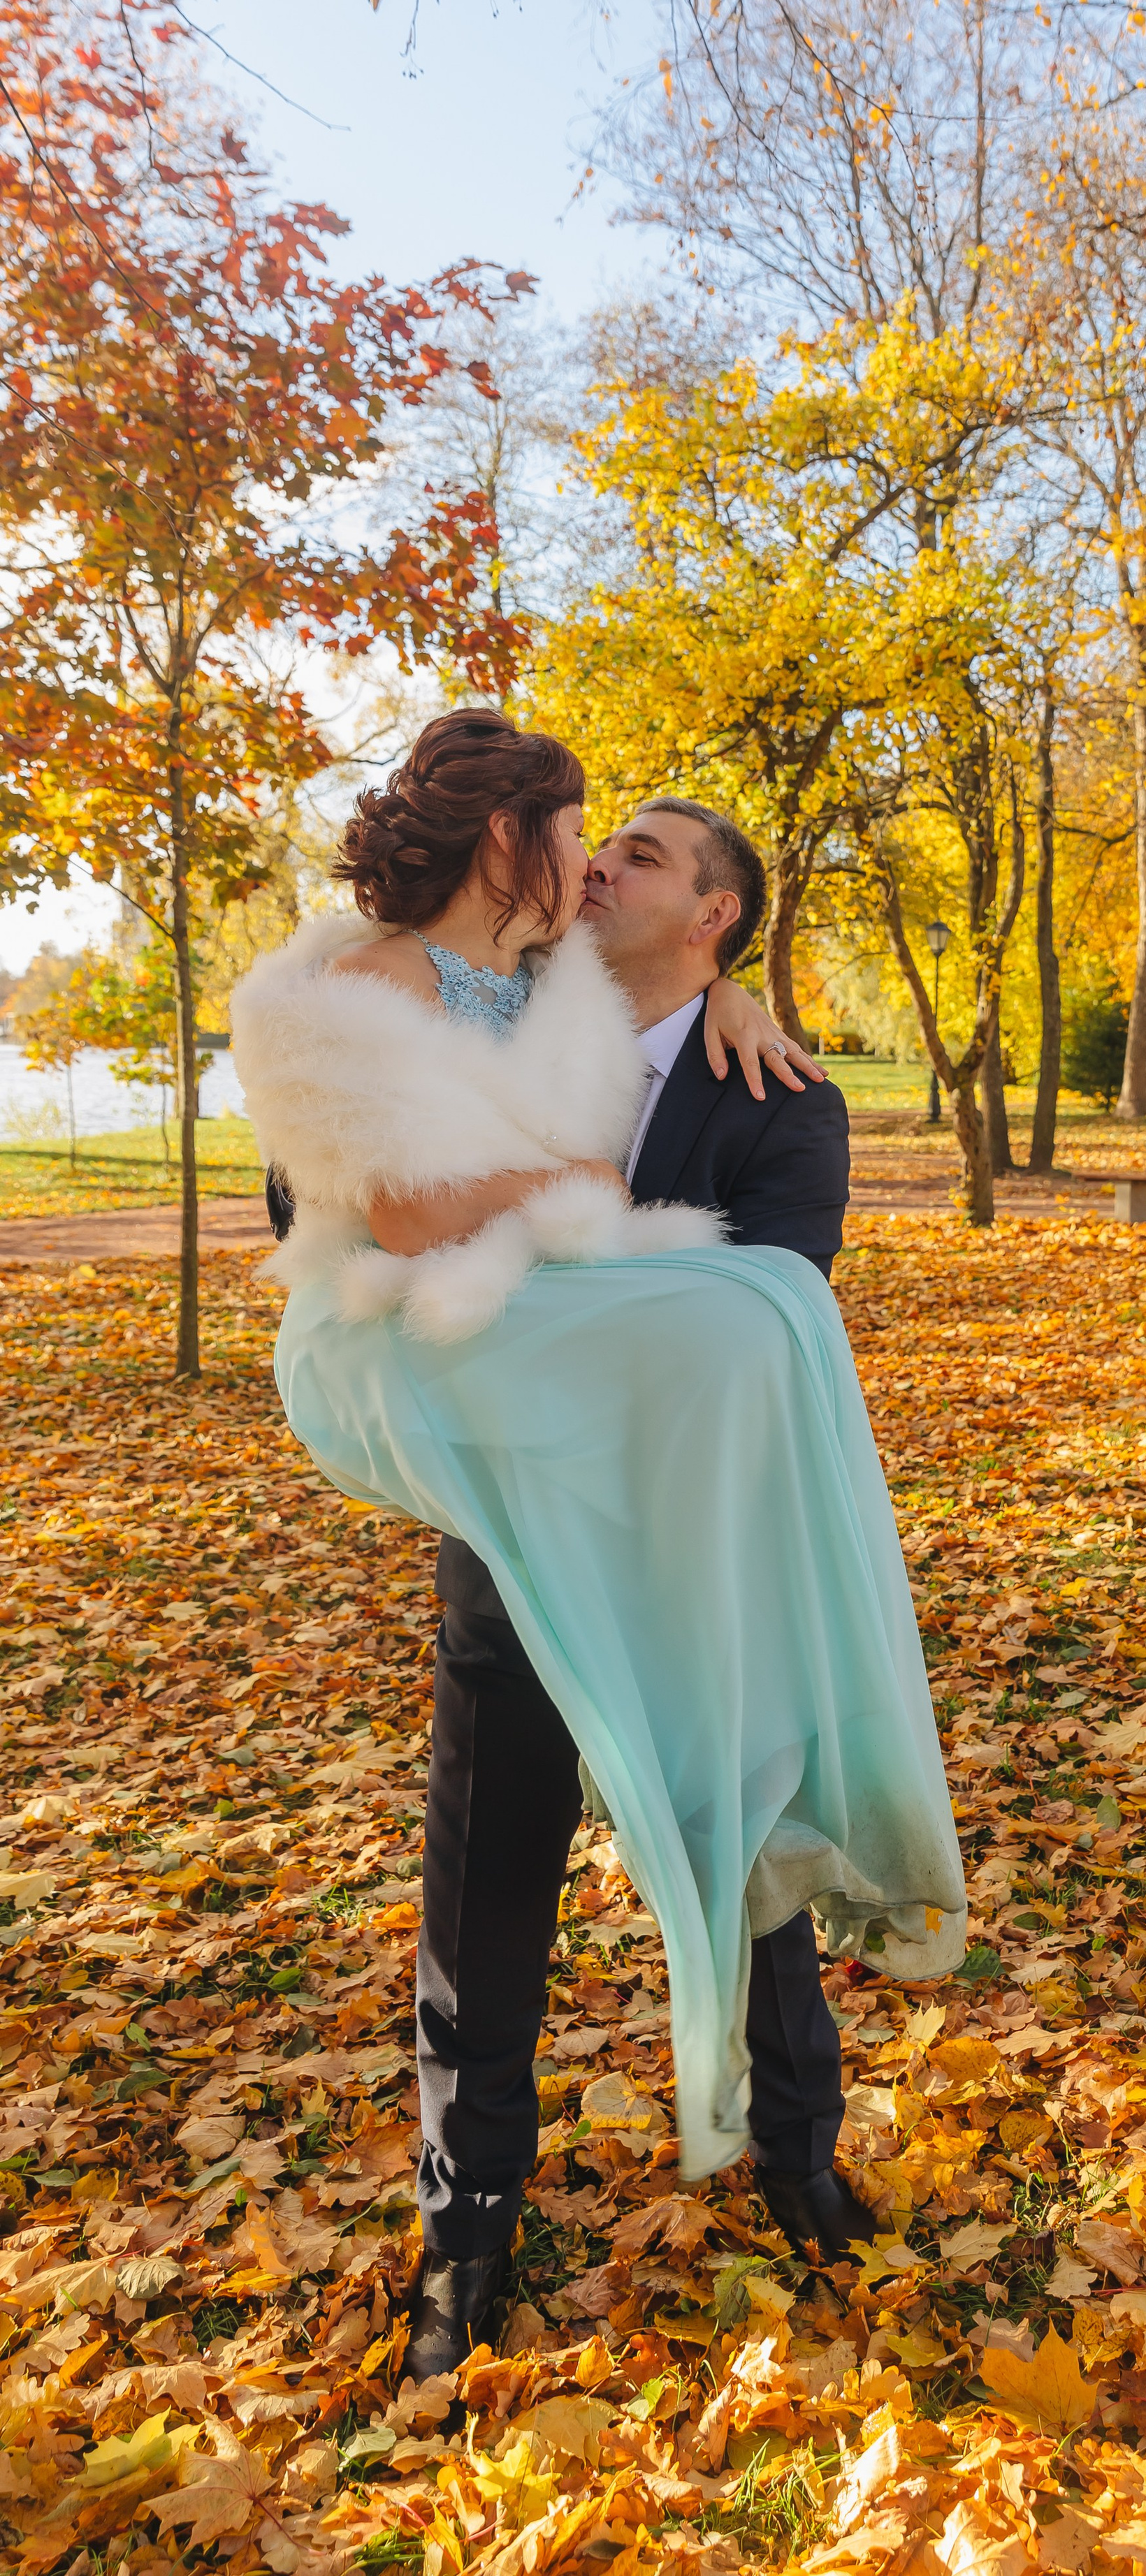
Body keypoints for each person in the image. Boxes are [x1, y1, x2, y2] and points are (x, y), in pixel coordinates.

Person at [233, 710, 966, 2383]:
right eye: (595, 840)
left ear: (712, 916)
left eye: (644, 853)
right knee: (485, 1874)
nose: (604, 863)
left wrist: (717, 1033)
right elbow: (326, 1201)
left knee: (746, 1833)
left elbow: (769, 1309)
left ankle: (796, 2158)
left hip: (692, 1546)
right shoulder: (468, 1009)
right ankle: (465, 2229)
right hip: (512, 1523)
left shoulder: (772, 1090)